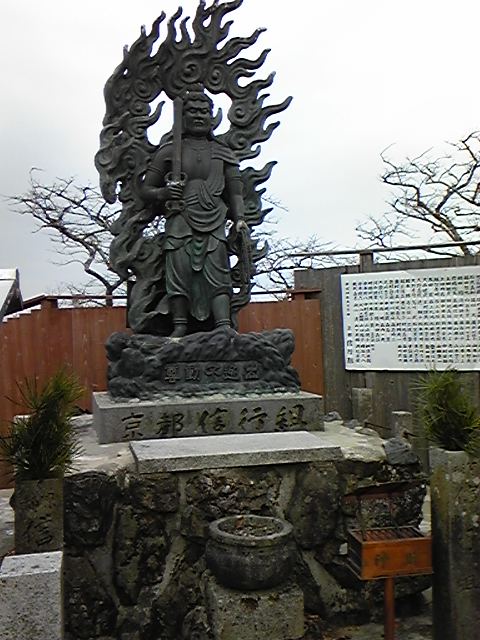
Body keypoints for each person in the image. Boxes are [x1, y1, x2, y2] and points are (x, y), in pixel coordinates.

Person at [140, 87, 248, 337]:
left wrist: (240, 219)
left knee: (218, 271)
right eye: (193, 111)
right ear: (182, 117)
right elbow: (145, 189)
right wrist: (164, 193)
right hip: (180, 216)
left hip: (214, 218)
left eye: (204, 111)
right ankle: (179, 325)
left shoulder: (223, 152)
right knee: (180, 272)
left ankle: (223, 324)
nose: (199, 116)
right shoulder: (169, 151)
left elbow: (235, 191)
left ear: (211, 116)